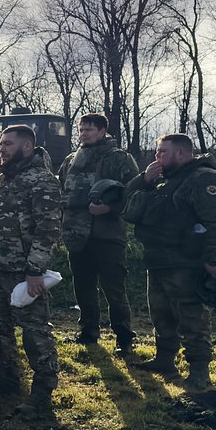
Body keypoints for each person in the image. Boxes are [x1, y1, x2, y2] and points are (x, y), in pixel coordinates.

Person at [122, 133, 216, 391]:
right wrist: (144, 179)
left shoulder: (203, 178)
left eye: (162, 152)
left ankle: (199, 372)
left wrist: (213, 259)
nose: (157, 157)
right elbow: (126, 201)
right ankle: (165, 360)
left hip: (186, 263)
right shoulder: (161, 180)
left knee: (192, 319)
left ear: (181, 153)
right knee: (161, 315)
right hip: (158, 259)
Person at [0, 126, 62, 418]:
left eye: (8, 144)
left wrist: (35, 270)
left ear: (26, 147)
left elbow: (48, 230)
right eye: (1, 144)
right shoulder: (2, 180)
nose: (2, 148)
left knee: (35, 333)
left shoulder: (41, 181)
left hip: (25, 273)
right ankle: (8, 378)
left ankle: (42, 394)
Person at [57, 113, 139, 352]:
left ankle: (124, 337)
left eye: (89, 130)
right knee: (83, 287)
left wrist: (109, 208)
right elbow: (61, 191)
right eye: (81, 130)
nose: (84, 134)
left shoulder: (119, 159)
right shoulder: (71, 160)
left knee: (114, 289)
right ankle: (88, 332)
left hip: (107, 235)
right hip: (76, 234)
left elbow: (134, 194)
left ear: (103, 131)